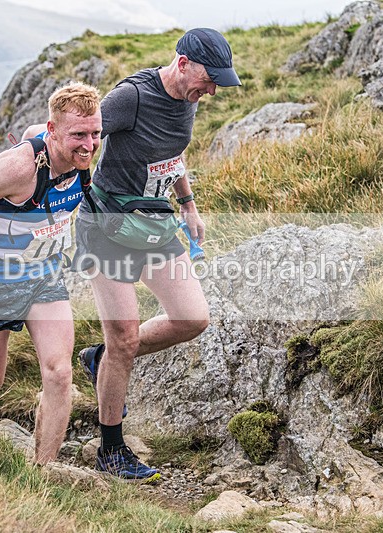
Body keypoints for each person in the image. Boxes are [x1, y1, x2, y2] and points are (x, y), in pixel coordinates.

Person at [74, 28, 241, 482]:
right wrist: (36, 189)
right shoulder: (131, 97)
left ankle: (101, 359)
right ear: (183, 62)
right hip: (106, 226)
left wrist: (188, 205)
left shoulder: (188, 101)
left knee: (192, 318)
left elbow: (173, 156)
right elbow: (80, 137)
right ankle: (111, 450)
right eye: (208, 80)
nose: (210, 92)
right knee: (124, 340)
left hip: (153, 221)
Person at [0, 82, 102, 465]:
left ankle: (39, 474)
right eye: (78, 134)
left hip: (45, 277)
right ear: (53, 129)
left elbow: (34, 133)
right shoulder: (18, 168)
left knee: (60, 375)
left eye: (95, 133)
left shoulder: (81, 156)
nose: (89, 145)